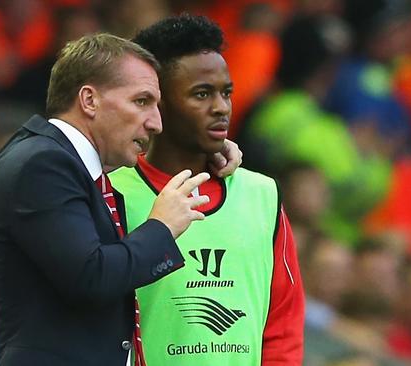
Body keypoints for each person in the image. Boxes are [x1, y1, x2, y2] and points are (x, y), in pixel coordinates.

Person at [0, 33, 241, 366]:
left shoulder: (79, 169)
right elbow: (92, 276)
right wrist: (162, 227)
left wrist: (206, 150)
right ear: (89, 100)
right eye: (142, 101)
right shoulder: (41, 164)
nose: (155, 123)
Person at [110, 14, 304, 365]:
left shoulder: (262, 194)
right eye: (202, 94)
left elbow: (282, 326)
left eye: (226, 92)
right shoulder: (112, 192)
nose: (221, 107)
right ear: (157, 104)